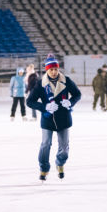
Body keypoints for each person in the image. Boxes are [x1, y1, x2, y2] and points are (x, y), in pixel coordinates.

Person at [26, 53, 81, 181]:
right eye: (51, 69)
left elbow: (77, 94)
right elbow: (30, 101)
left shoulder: (66, 80)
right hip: (48, 119)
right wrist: (44, 107)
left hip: (64, 119)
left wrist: (70, 102)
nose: (54, 72)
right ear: (47, 70)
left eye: (56, 69)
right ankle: (44, 168)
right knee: (45, 144)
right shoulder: (40, 84)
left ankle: (60, 163)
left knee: (64, 148)